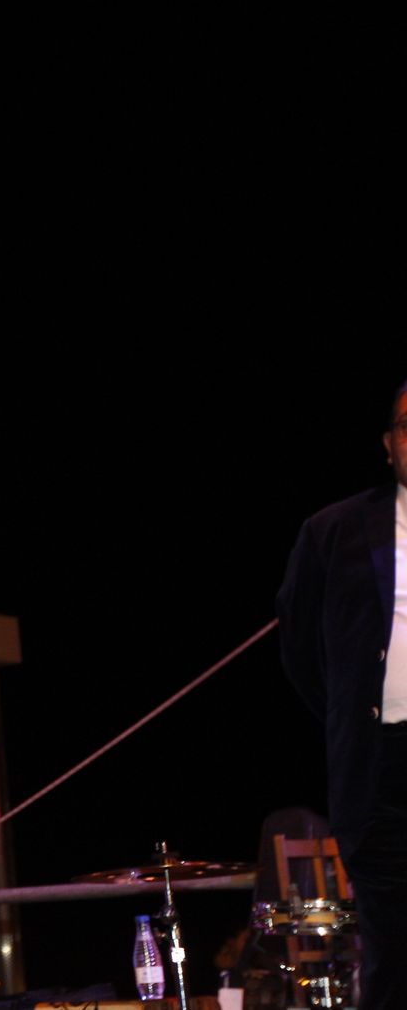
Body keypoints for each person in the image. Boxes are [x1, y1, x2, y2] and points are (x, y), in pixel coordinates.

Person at [277, 380, 407, 1010]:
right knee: (394, 951)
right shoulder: (335, 531)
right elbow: (301, 649)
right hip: (383, 768)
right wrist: (354, 720)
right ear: (389, 444)